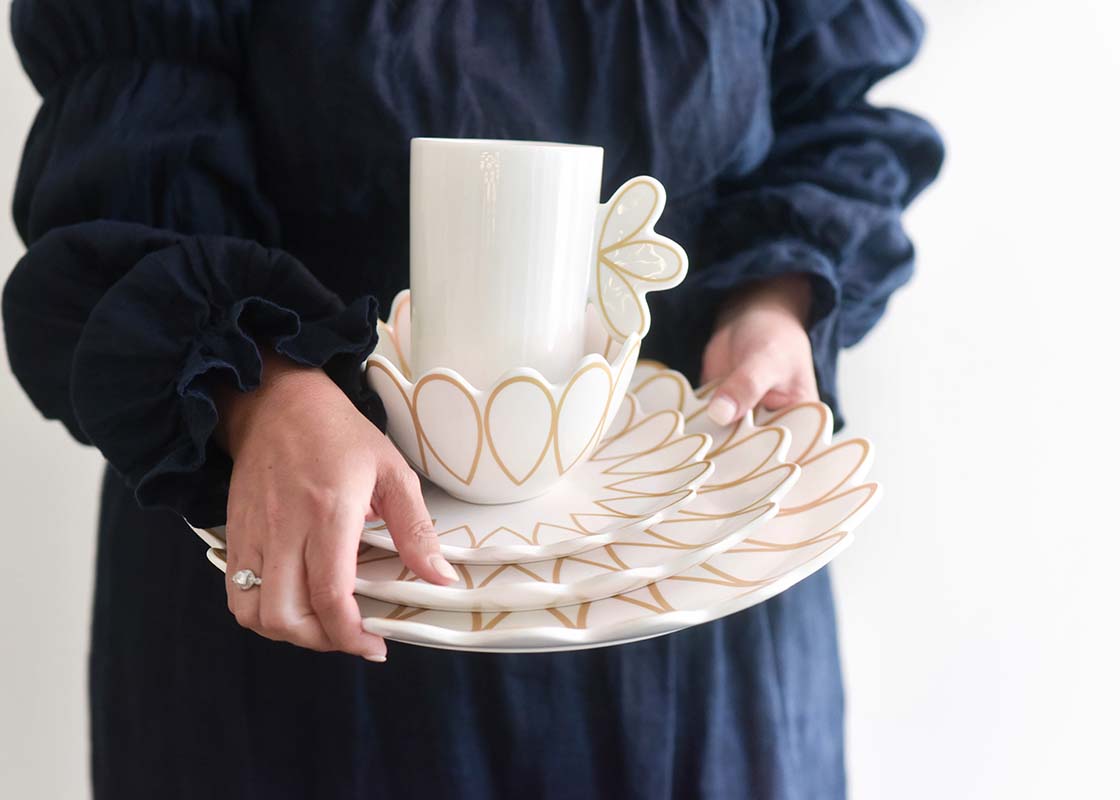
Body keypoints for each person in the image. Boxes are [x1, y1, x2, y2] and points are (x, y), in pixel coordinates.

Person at [3, 1, 942, 797]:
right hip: (306, 565)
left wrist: (771, 303)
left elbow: (830, 113)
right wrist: (261, 388)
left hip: (679, 585)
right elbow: (118, 172)